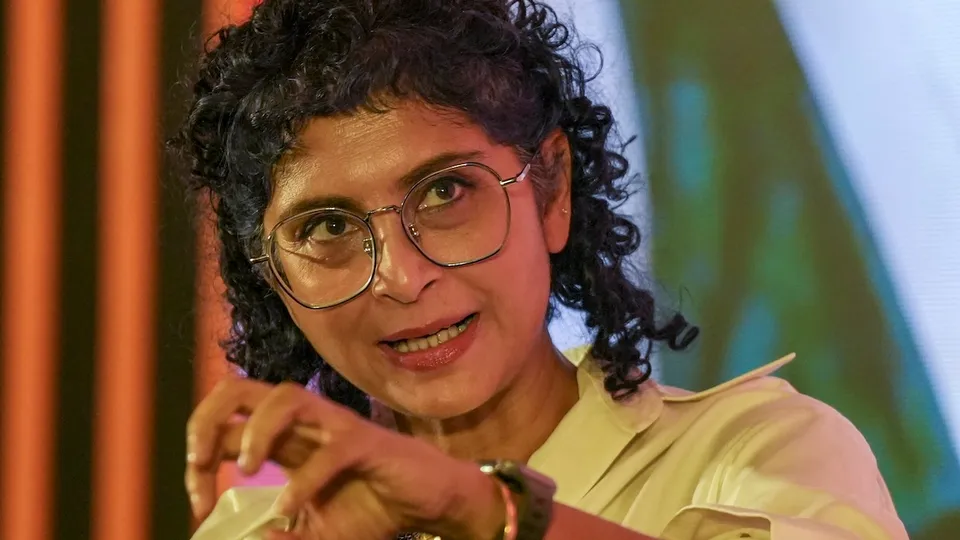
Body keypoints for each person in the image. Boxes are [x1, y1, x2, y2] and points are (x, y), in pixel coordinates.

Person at [171, 1, 909, 538]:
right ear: (271, 276)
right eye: (327, 227)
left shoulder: (759, 452)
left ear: (550, 189)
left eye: (445, 192)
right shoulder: (262, 532)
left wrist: (482, 508)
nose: (401, 275)